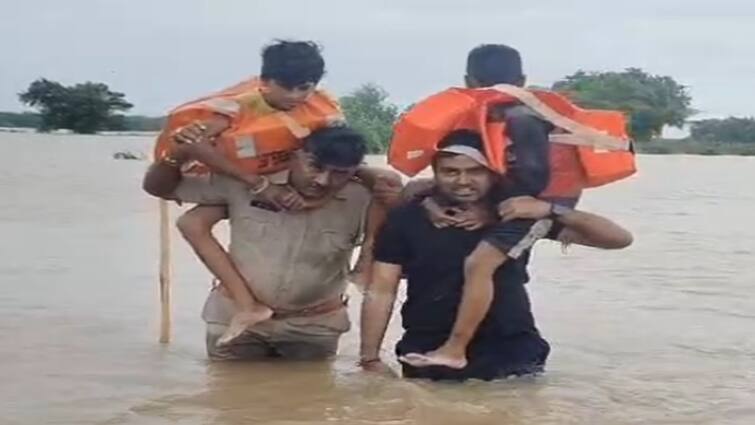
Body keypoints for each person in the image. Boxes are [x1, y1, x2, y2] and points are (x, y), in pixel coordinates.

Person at [148, 40, 401, 344]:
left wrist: (353, 180)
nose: (295, 96)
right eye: (286, 87)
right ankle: (245, 305)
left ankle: (362, 264)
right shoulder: (234, 111)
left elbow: (346, 158)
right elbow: (170, 182)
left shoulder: (327, 121)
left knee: (383, 184)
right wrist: (258, 184)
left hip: (316, 324)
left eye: (304, 88)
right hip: (251, 185)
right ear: (264, 82)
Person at [359, 130, 632, 380]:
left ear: (493, 171)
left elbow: (618, 239)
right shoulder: (407, 219)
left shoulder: (516, 217)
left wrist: (551, 209)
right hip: (427, 350)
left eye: (475, 171)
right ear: (435, 172)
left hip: (511, 348)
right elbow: (381, 290)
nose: (463, 181)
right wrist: (370, 359)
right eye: (450, 171)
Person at [400, 44, 569, 369]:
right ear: (520, 78)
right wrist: (432, 193)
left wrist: (492, 210)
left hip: (532, 205)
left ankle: (455, 348)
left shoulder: (523, 118)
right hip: (511, 199)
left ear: (468, 81)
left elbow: (533, 182)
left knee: (479, 265)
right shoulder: (485, 118)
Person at [144, 125, 373, 360]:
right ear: (296, 155)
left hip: (314, 325)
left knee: (314, 393)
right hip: (234, 317)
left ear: (355, 171)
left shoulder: (364, 198)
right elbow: (158, 188)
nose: (323, 180)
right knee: (227, 392)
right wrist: (176, 155)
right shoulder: (248, 182)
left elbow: (397, 200)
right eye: (314, 166)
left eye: (340, 173)